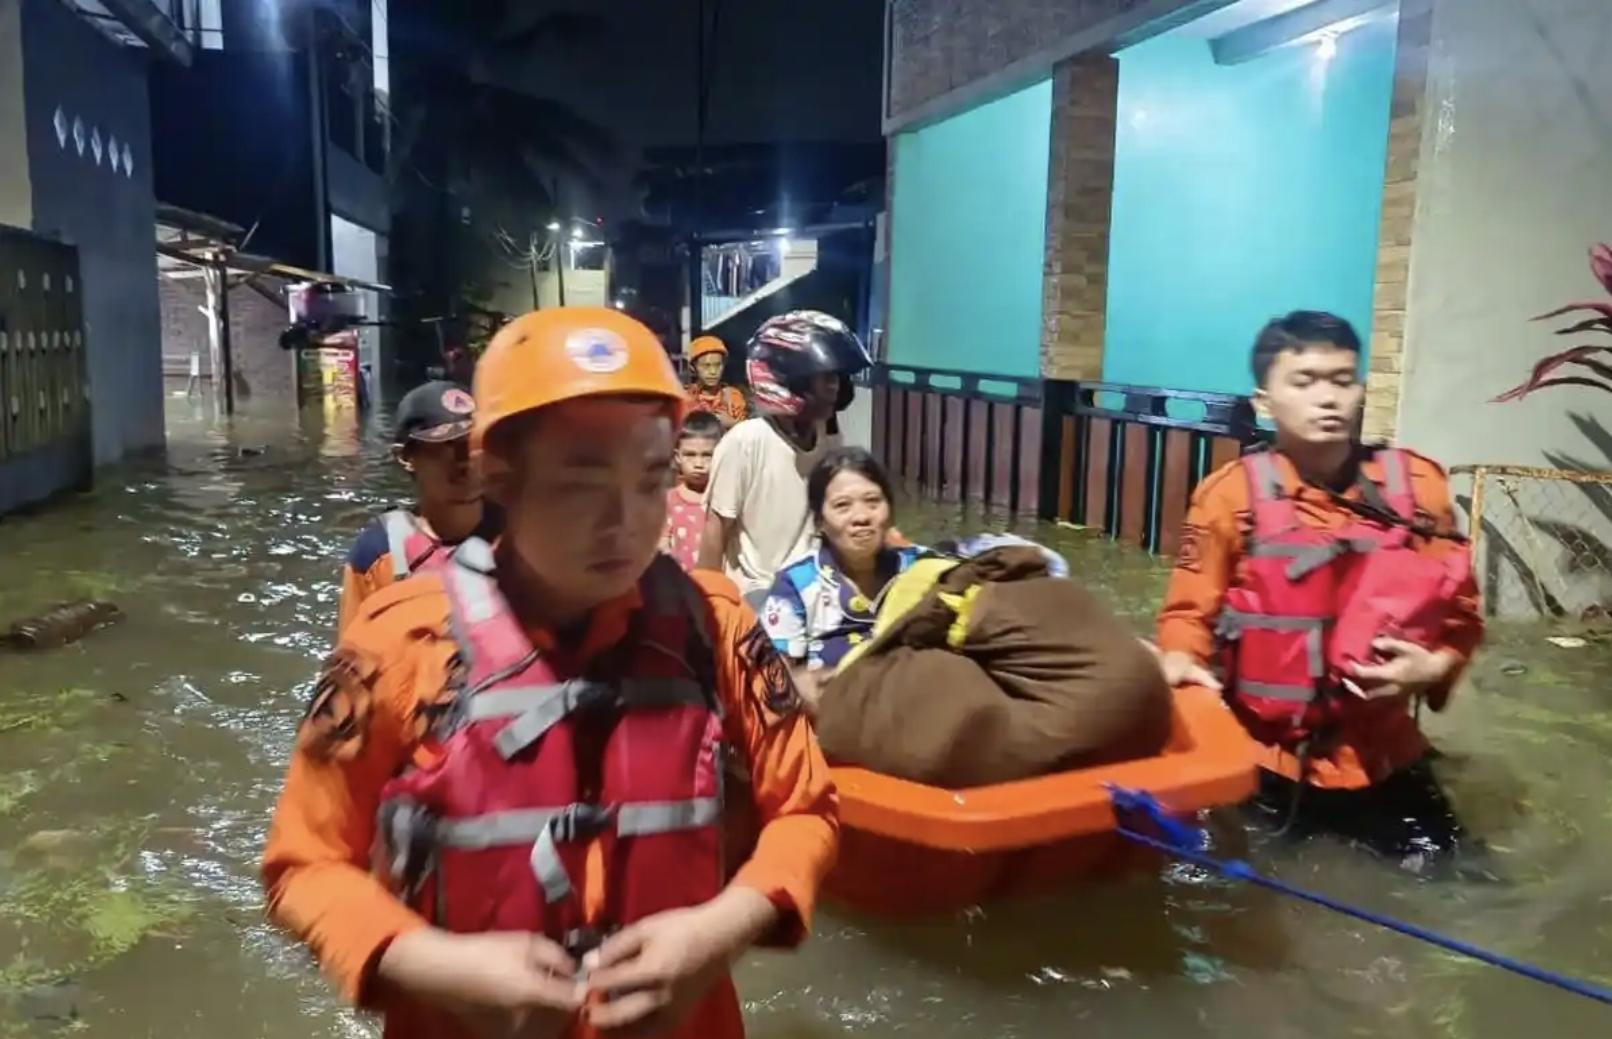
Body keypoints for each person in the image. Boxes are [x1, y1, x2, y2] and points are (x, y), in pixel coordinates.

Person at [263, 307, 839, 1039]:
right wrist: (430, 963)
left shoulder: (717, 625)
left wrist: (722, 928)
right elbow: (301, 864)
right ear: (500, 475)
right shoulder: (399, 643)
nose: (628, 520)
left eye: (653, 479)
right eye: (581, 483)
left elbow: (808, 808)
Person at [1155, 310, 1483, 863]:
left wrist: (1432, 669)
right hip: (1267, 756)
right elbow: (1188, 615)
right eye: (1304, 382)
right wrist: (1178, 664)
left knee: (1468, 883)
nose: (1327, 398)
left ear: (1360, 391)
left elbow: (1464, 616)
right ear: (1264, 401)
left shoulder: (1419, 486)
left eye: (1342, 380)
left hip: (1384, 753)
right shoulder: (1228, 497)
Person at [698, 311, 871, 606]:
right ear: (790, 380)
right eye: (825, 377)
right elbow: (716, 530)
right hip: (759, 588)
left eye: (837, 378)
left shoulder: (828, 437)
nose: (835, 387)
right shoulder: (746, 441)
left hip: (815, 582)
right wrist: (707, 607)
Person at [759, 447, 923, 707]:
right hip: (829, 735)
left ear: (889, 511)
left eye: (873, 502)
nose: (861, 517)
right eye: (842, 506)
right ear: (820, 522)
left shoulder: (922, 570)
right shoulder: (796, 587)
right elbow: (773, 680)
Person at [336, 380, 492, 633]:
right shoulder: (379, 551)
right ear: (407, 457)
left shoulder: (522, 534)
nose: (465, 461)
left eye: (476, 442)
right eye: (446, 446)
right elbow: (354, 661)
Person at [661, 410, 723, 571]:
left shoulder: (724, 501)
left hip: (717, 586)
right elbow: (662, 547)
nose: (698, 464)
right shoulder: (669, 501)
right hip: (681, 587)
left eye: (707, 455)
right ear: (677, 457)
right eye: (690, 455)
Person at [686, 335, 748, 428]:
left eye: (718, 365)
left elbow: (748, 434)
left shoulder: (733, 397)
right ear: (693, 368)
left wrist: (732, 424)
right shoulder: (685, 398)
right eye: (706, 366)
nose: (713, 372)